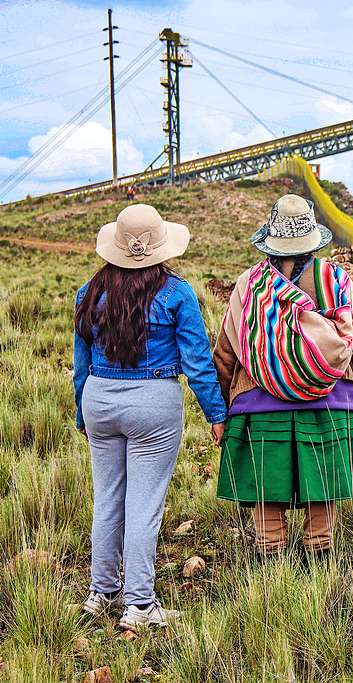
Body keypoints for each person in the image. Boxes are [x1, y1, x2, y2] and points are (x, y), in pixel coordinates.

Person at [213, 194, 353, 558]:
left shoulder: (249, 285)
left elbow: (226, 352)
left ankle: (271, 568)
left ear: (271, 238)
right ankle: (319, 563)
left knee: (267, 489)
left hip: (259, 408)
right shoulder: (336, 279)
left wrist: (221, 409)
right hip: (331, 404)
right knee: (323, 486)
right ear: (312, 237)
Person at [73, 204, 227, 629]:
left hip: (99, 399)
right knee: (144, 506)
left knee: (107, 499)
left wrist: (80, 412)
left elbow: (81, 362)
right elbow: (197, 362)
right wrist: (216, 413)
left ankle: (100, 593)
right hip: (153, 403)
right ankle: (139, 604)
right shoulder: (178, 294)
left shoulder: (88, 293)